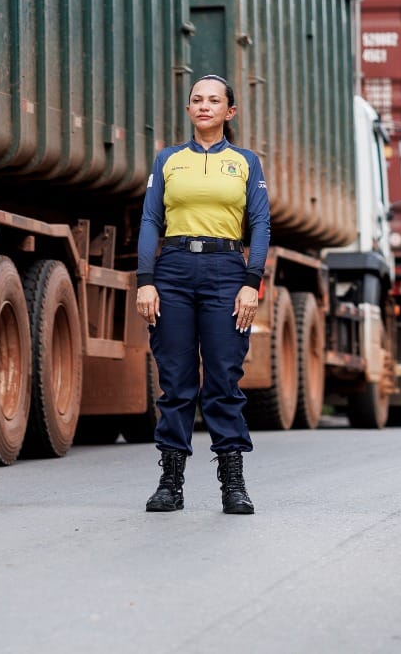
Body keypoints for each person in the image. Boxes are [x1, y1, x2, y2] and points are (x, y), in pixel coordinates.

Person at [135, 74, 271, 515]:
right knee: (176, 382)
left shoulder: (246, 162)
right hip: (173, 270)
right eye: (197, 100)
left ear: (230, 111)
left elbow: (261, 224)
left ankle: (233, 484)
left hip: (226, 272)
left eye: (214, 100)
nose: (204, 106)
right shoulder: (168, 160)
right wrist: (146, 279)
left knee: (223, 381)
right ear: (189, 109)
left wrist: (251, 282)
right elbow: (151, 220)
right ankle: (170, 484)